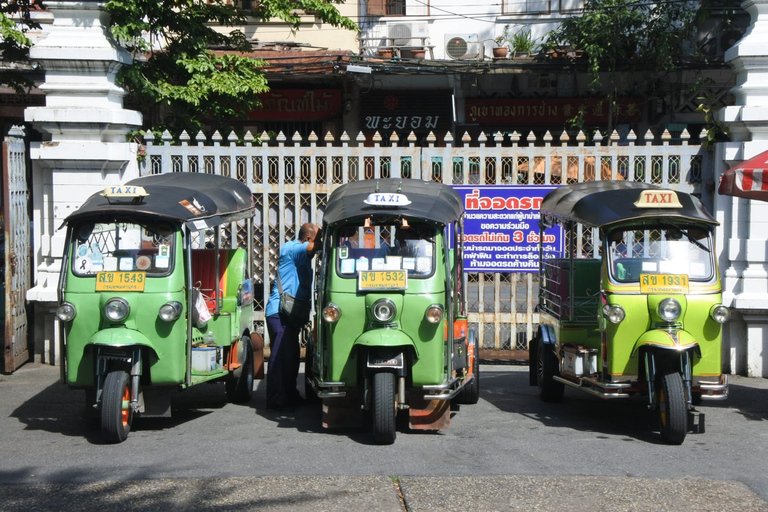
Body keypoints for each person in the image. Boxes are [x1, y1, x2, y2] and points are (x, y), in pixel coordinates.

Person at [265, 223, 322, 412]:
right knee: (281, 357)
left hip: (289, 315)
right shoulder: (293, 248)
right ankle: (276, 399)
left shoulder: (301, 256)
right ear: (307, 239)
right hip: (280, 313)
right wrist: (327, 234)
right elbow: (313, 247)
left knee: (291, 357)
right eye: (315, 239)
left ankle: (290, 395)